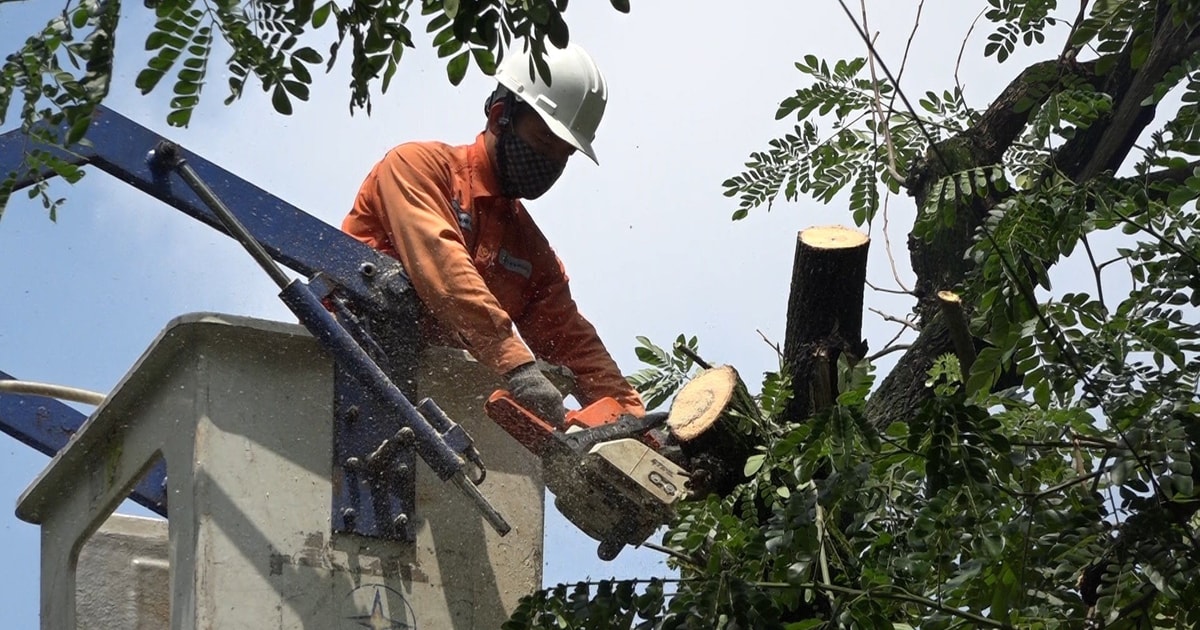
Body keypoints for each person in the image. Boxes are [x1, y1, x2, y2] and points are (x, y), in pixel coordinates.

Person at [341, 42, 644, 427]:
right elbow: (444, 268)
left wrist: (635, 424)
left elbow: (574, 344)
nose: (549, 162)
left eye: (563, 153)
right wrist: (517, 366)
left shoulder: (533, 255)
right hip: (341, 365)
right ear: (501, 116)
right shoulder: (417, 168)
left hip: (432, 398)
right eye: (543, 143)